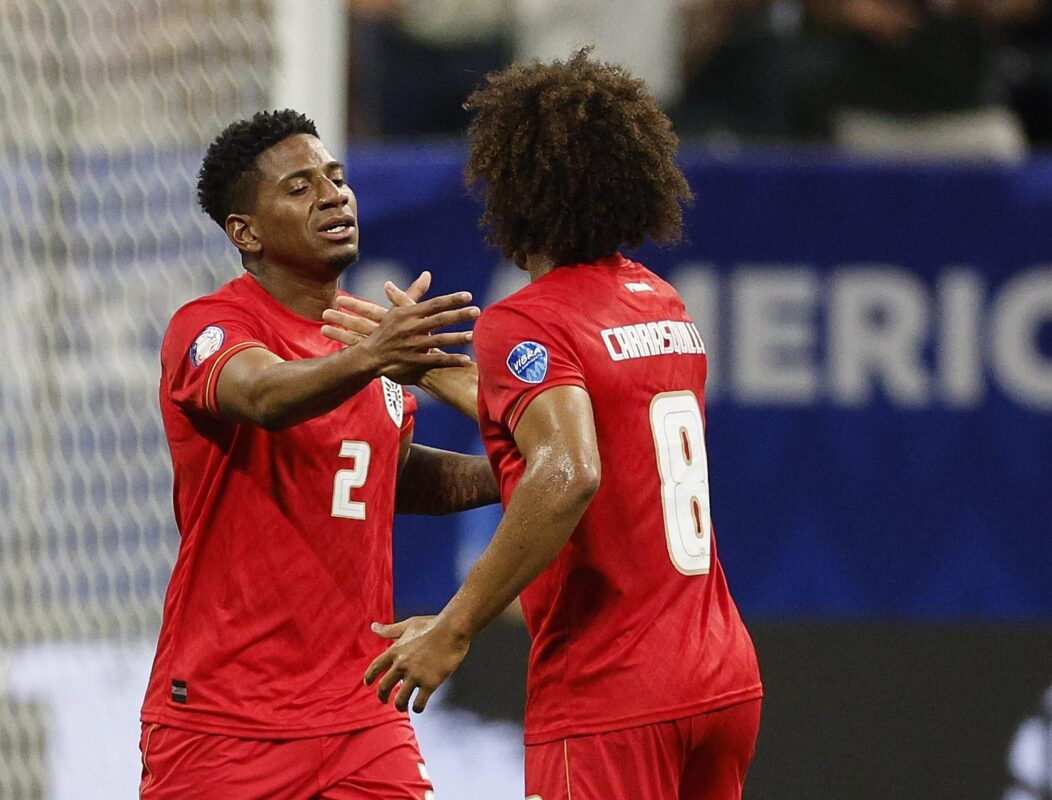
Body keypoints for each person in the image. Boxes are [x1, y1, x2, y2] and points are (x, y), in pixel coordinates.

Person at [360, 52, 763, 799]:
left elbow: (569, 468)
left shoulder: (529, 320)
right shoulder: (660, 304)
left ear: (514, 188)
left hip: (614, 691)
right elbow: (580, 411)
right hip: (720, 677)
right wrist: (429, 368)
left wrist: (454, 625)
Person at [139, 108, 498, 799]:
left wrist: (505, 475)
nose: (334, 196)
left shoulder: (366, 339)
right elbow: (266, 395)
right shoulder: (211, 326)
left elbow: (381, 472)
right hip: (224, 723)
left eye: (336, 178)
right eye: (300, 188)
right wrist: (373, 356)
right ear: (245, 231)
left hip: (363, 717)